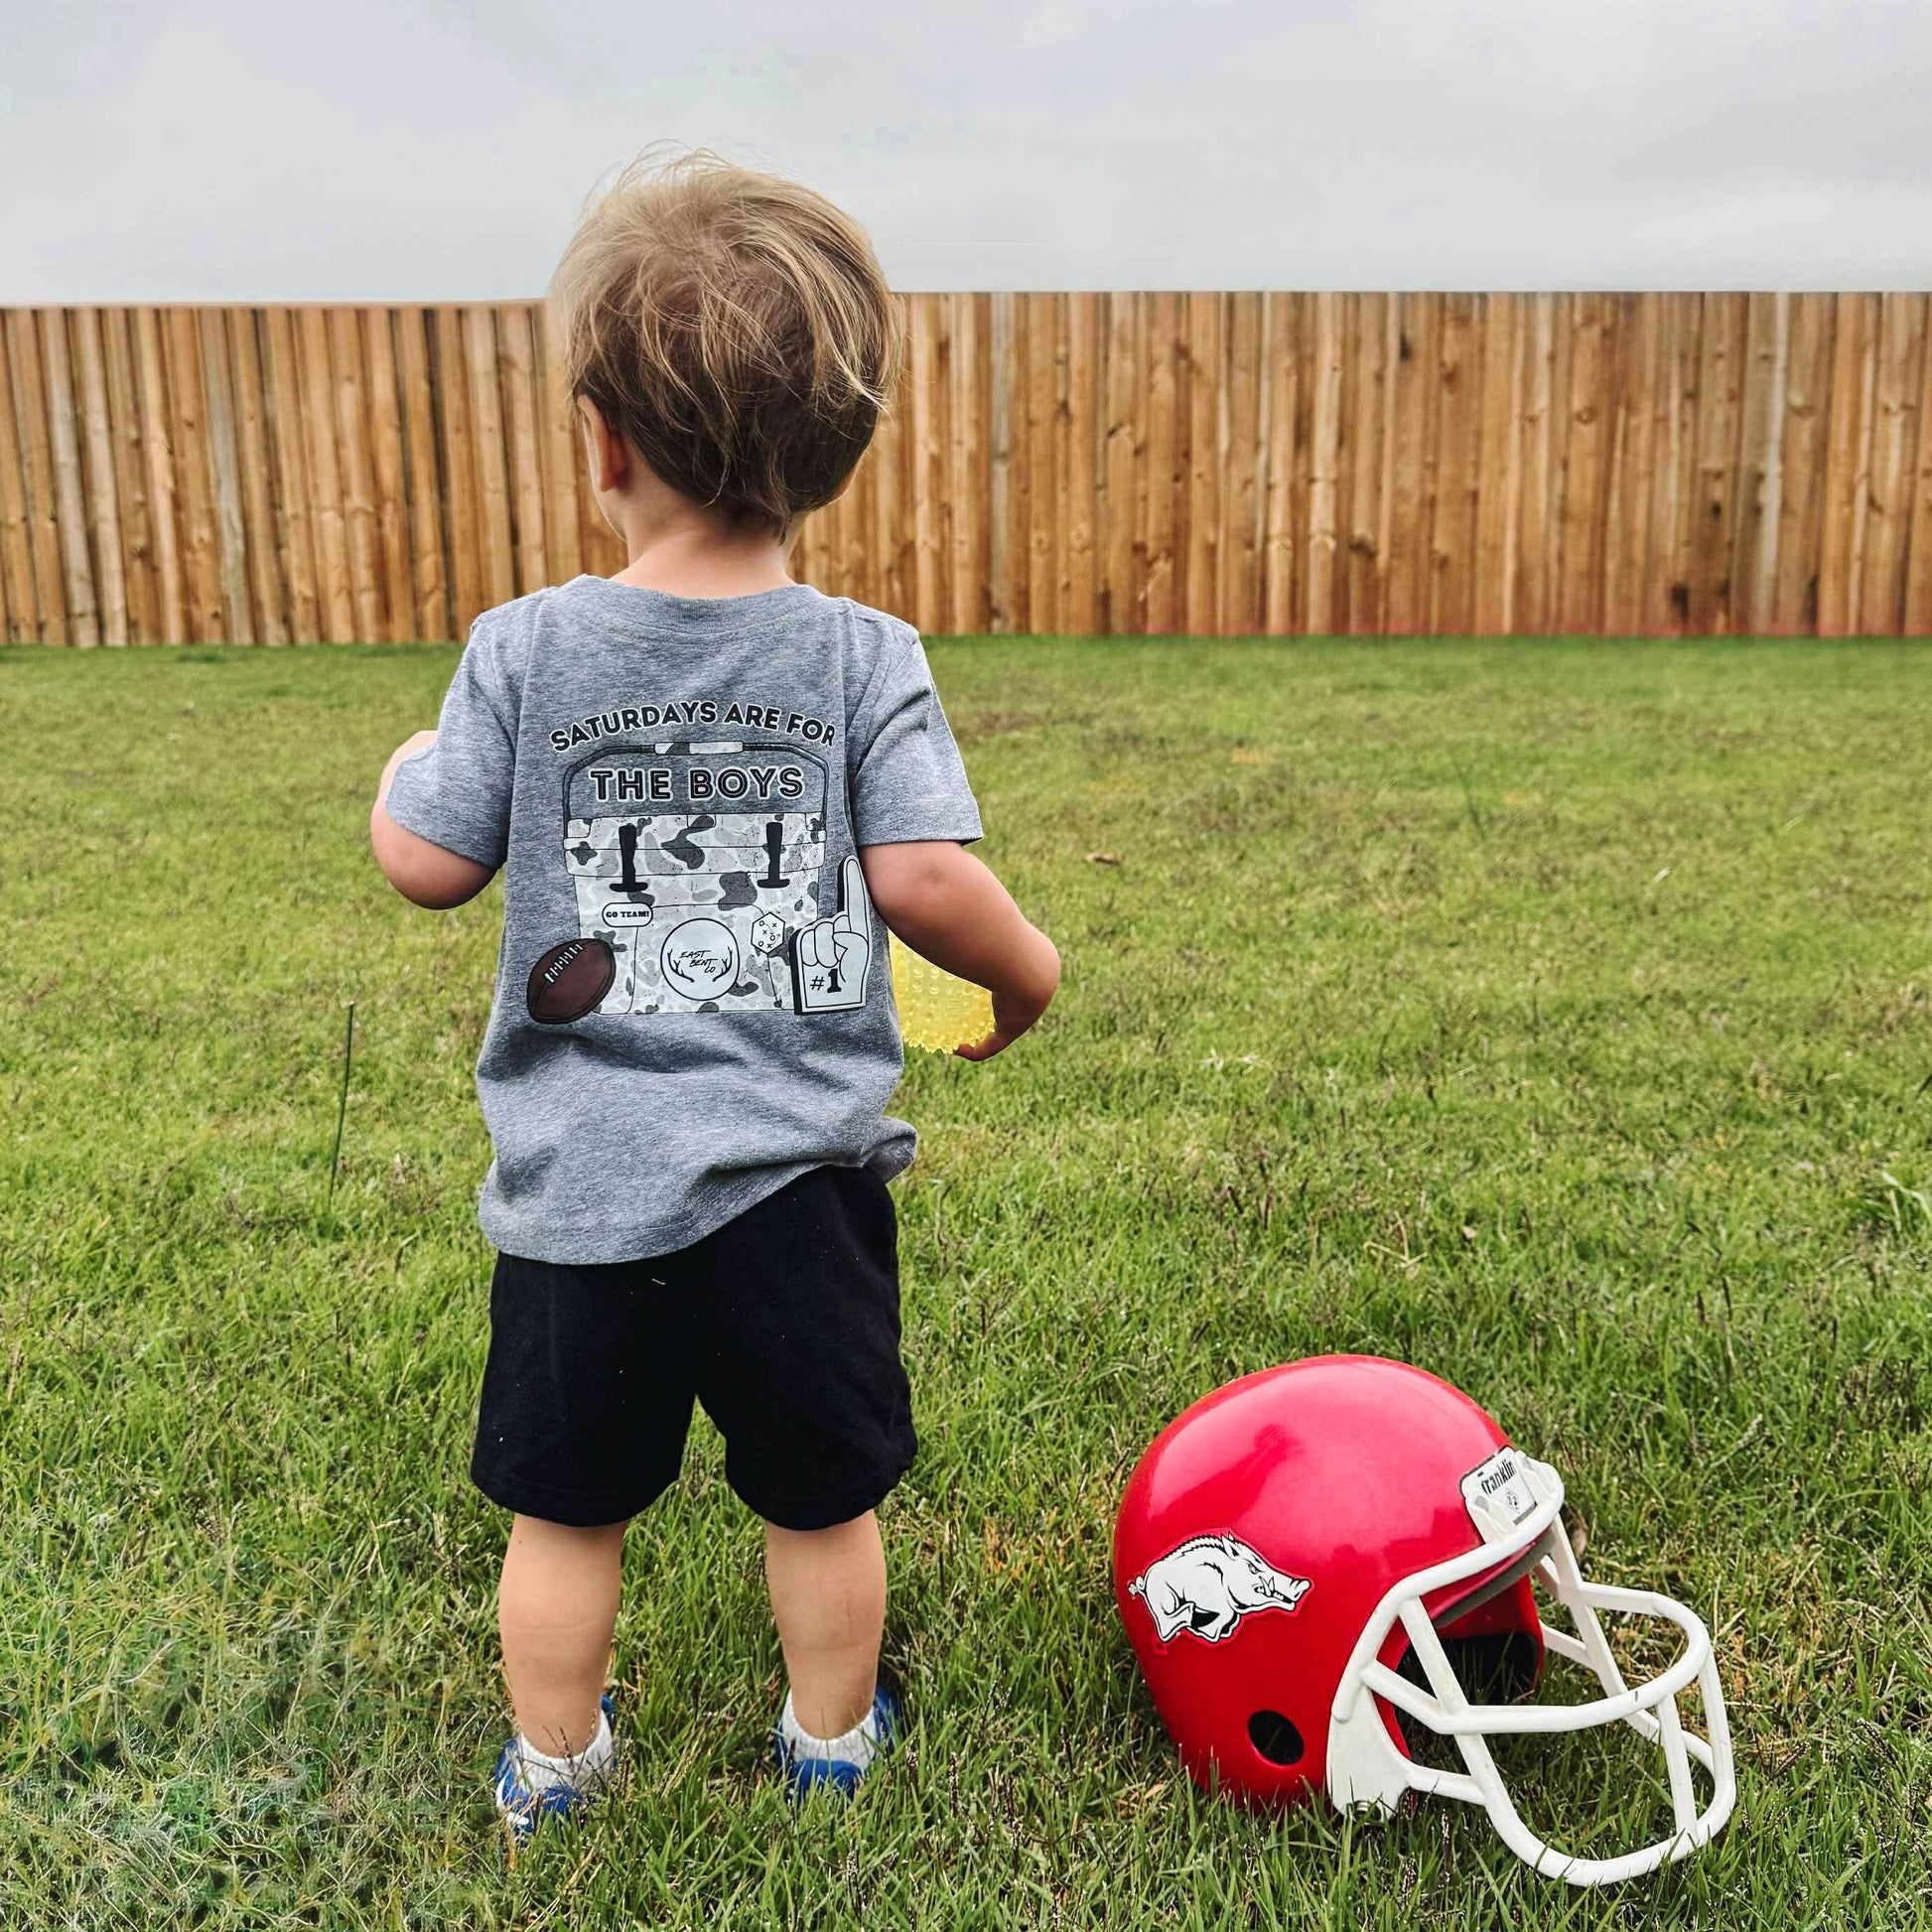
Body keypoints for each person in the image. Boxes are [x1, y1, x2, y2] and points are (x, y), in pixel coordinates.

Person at [369, 151, 1058, 1841]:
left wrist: (405, 771)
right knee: (819, 1502)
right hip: (796, 1192)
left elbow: (425, 861)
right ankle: (830, 1735)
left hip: (575, 1202)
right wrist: (1027, 969)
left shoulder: (521, 648)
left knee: (566, 1515)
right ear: (835, 450)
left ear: (599, 439)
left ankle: (555, 1762)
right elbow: (919, 878)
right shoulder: (860, 657)